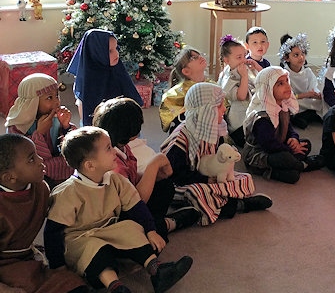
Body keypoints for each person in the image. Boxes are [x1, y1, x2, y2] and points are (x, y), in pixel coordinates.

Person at [44, 127, 193, 293]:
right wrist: (57, 266)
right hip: (80, 238)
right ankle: (116, 286)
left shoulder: (115, 180)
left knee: (131, 228)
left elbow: (136, 206)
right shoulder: (67, 193)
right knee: (93, 249)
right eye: (108, 148)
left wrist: (151, 230)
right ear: (90, 165)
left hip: (109, 228)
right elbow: (53, 232)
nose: (114, 150)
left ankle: (158, 270)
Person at [160, 82, 272, 225]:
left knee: (244, 177)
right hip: (186, 182)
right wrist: (205, 180)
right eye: (219, 106)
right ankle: (239, 205)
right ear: (206, 110)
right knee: (199, 193)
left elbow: (219, 159)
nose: (224, 109)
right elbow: (177, 174)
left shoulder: (214, 128)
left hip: (211, 176)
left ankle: (223, 201)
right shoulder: (181, 138)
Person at [92, 97, 201, 241]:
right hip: (121, 212)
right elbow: (135, 201)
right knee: (150, 237)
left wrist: (152, 175)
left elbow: (132, 175)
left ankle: (158, 222)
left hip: (131, 198)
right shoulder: (113, 165)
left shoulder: (122, 147)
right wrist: (153, 165)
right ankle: (168, 224)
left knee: (165, 186)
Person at [0, 134, 88, 293]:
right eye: (31, 159)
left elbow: (59, 218)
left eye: (37, 154)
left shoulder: (41, 188)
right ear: (9, 177)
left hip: (26, 259)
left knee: (74, 282)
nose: (41, 161)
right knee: (26, 283)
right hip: (4, 265)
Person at [243, 66, 325, 184]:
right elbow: (269, 145)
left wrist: (294, 139)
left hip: (280, 146)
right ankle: (300, 165)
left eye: (287, 81)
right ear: (268, 89)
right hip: (261, 154)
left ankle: (294, 164)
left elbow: (289, 128)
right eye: (280, 84)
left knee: (306, 144)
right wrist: (291, 149)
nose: (287, 86)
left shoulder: (282, 105)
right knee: (290, 170)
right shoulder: (261, 117)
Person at [5, 73, 74, 185]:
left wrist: (66, 127)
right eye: (49, 98)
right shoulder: (18, 125)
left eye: (57, 96)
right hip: (35, 172)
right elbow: (22, 156)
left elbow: (71, 146)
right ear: (33, 102)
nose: (56, 102)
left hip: (59, 168)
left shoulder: (56, 119)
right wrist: (39, 133)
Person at [66, 29, 143, 126]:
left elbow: (132, 98)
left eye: (116, 48)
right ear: (96, 52)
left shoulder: (118, 70)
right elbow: (86, 115)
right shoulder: (85, 82)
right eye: (110, 51)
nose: (117, 54)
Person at [159, 46, 213, 133]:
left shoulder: (213, 85)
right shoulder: (175, 94)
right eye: (194, 58)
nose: (200, 57)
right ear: (186, 71)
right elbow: (170, 117)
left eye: (200, 55)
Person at [217, 35, 256, 147]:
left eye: (245, 55)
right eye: (239, 57)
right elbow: (241, 96)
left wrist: (255, 68)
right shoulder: (227, 78)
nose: (244, 60)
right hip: (238, 121)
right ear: (227, 60)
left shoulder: (242, 68)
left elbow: (258, 82)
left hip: (250, 111)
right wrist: (244, 77)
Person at [279, 33, 323, 129]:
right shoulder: (284, 73)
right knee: (285, 104)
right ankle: (300, 116)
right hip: (295, 100)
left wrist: (317, 93)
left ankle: (306, 115)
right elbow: (287, 96)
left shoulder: (307, 71)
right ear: (287, 58)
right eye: (296, 55)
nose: (301, 57)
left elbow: (314, 86)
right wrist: (305, 95)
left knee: (322, 101)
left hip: (307, 100)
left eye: (303, 53)